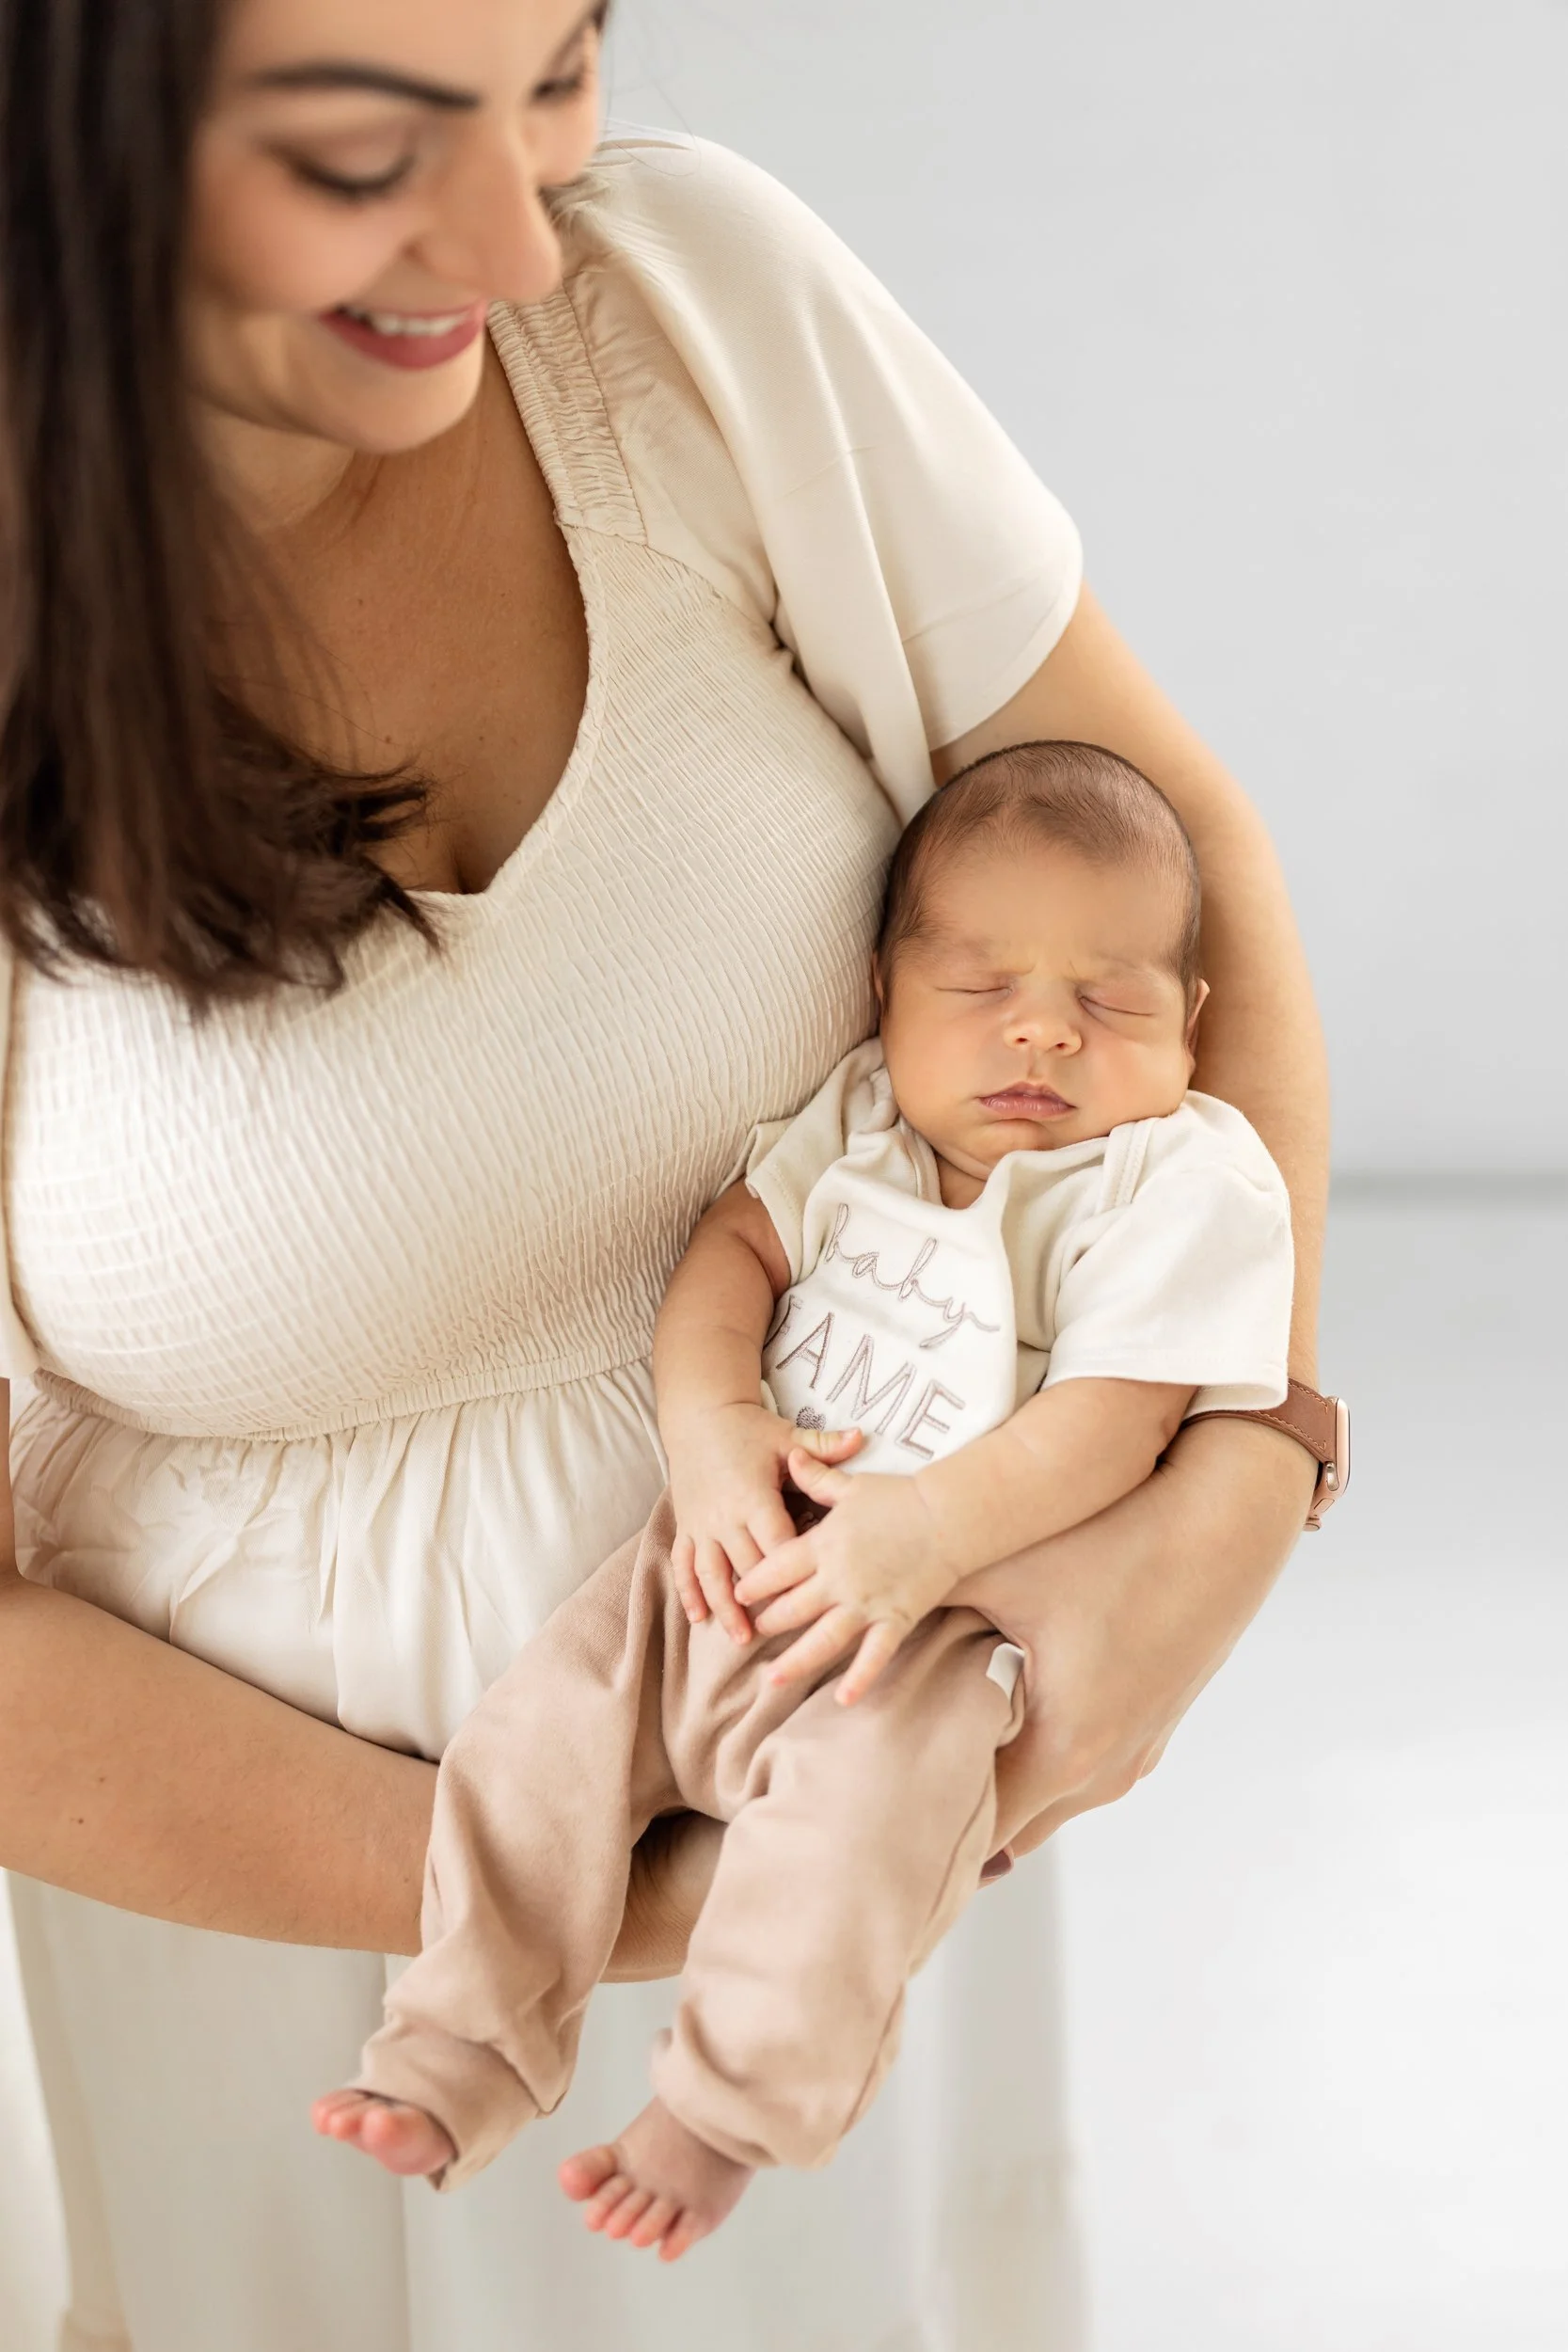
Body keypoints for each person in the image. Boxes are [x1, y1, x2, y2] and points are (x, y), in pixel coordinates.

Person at [0, 2, 1328, 2348]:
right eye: (361, 147)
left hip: (870, 1712)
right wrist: (596, 1901)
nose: (518, 235)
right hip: (275, 1921)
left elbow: (1166, 853)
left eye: (558, 67)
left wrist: (1224, 1483)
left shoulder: (699, 305)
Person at [314, 743, 1295, 2265]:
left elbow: (1116, 1420)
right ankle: (460, 2047)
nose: (1041, 1027)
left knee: (852, 1852)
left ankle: (726, 2113)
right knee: (531, 1748)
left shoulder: (1172, 1179)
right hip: (713, 1563)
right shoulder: (854, 1126)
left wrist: (922, 1538)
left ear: (1191, 1029)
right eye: (980, 988)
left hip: (926, 1630)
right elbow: (730, 1259)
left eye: (1109, 1001)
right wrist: (712, 1440)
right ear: (883, 996)